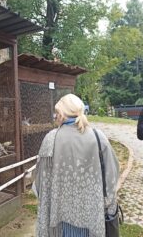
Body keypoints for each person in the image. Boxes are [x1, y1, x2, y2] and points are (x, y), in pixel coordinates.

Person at [33, 94, 119, 237]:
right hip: (93, 214)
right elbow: (112, 174)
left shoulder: (51, 138)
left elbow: (41, 181)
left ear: (60, 114)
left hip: (61, 216)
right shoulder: (98, 136)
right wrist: (107, 202)